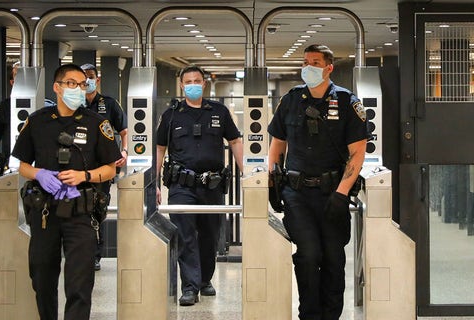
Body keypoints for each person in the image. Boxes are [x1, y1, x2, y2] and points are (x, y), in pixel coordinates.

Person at [11, 63, 122, 320]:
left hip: (81, 212)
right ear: (57, 88)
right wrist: (39, 174)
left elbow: (110, 169)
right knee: (42, 276)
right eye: (72, 83)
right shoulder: (38, 121)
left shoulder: (97, 123)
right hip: (45, 212)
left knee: (79, 281)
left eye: (82, 84)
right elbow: (21, 165)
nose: (79, 89)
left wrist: (84, 176)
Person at [267, 44, 368, 320]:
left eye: (315, 62)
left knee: (333, 258)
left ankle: (331, 315)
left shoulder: (347, 102)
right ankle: (309, 315)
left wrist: (341, 193)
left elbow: (358, 152)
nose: (308, 67)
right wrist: (272, 181)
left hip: (333, 193)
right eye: (305, 62)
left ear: (328, 67)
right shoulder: (291, 100)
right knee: (309, 255)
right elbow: (277, 145)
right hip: (297, 194)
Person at [155, 65, 244, 306]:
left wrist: (247, 174)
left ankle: (205, 280)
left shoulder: (219, 111)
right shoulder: (171, 114)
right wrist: (153, 182)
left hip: (212, 185)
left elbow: (235, 140)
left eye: (197, 80)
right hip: (181, 185)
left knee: (209, 235)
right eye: (188, 81)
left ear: (204, 84)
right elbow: (160, 148)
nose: (193, 84)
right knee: (185, 235)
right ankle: (190, 287)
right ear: (181, 85)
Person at [80, 63, 128, 271]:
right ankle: (81, 252)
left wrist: (124, 152)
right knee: (78, 208)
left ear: (97, 80)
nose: (87, 81)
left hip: (103, 167)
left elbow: (124, 131)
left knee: (98, 208)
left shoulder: (108, 104)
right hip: (78, 166)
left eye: (90, 77)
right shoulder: (73, 104)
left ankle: (95, 255)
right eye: (84, 78)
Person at [0, 61, 19, 172]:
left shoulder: (47, 106)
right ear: (12, 82)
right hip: (12, 166)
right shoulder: (4, 107)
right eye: (18, 75)